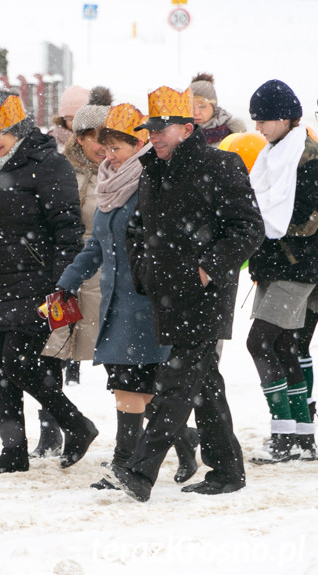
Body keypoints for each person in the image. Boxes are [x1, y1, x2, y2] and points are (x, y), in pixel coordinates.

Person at [103, 86, 264, 501]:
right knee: (203, 382)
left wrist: (206, 270)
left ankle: (139, 472)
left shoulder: (221, 165)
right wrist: (144, 274)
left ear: (188, 128)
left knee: (175, 381)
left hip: (206, 295)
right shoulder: (154, 170)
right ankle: (227, 469)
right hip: (166, 292)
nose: (153, 136)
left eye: (161, 128)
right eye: (149, 129)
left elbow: (248, 228)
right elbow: (137, 230)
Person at [56, 103, 200, 490]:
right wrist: (68, 280)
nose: (109, 156)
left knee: (132, 380)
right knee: (129, 380)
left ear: (138, 146)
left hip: (144, 299)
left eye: (117, 148)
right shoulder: (109, 185)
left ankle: (126, 461)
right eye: (105, 148)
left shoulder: (148, 183)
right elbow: (97, 246)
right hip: (114, 301)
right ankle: (182, 438)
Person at [0, 90, 97, 475]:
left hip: (37, 283)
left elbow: (67, 229)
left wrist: (61, 286)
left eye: (1, 132)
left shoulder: (46, 163)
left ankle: (77, 424)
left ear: (20, 128)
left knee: (20, 365)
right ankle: (13, 450)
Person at [245, 79, 318, 463]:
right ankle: (301, 437)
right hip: (275, 265)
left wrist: (259, 222)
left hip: (298, 267)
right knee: (286, 346)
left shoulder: (308, 157)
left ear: (287, 118)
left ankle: (283, 435)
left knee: (259, 342)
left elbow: (305, 217)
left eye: (265, 120)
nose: (259, 128)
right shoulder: (272, 155)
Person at [43, 86, 111, 389]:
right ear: (80, 137)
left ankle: (140, 420)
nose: (104, 144)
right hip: (65, 270)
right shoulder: (60, 170)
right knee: (55, 347)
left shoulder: (120, 171)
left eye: (108, 135)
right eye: (96, 136)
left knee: (116, 354)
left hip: (106, 272)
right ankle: (54, 426)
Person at [190, 73, 246, 147]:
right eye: (191, 107)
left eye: (202, 106)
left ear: (213, 107)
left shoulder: (232, 132)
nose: (196, 112)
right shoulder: (179, 133)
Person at [50, 84, 90, 152]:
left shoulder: (96, 140)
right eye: (70, 119)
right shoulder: (53, 140)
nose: (74, 123)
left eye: (79, 118)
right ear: (63, 120)